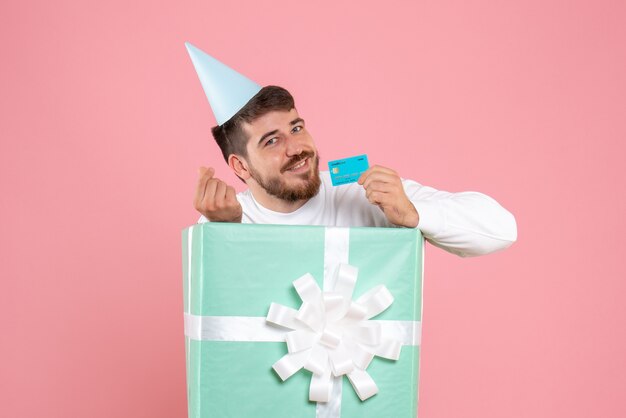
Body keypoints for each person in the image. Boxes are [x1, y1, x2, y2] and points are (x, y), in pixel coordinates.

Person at [185, 44, 516, 257]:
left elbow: (502, 229)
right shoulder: (225, 220)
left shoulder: (359, 192)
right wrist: (225, 234)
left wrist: (412, 214)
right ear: (240, 167)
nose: (297, 148)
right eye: (272, 141)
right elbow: (224, 322)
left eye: (296, 128)